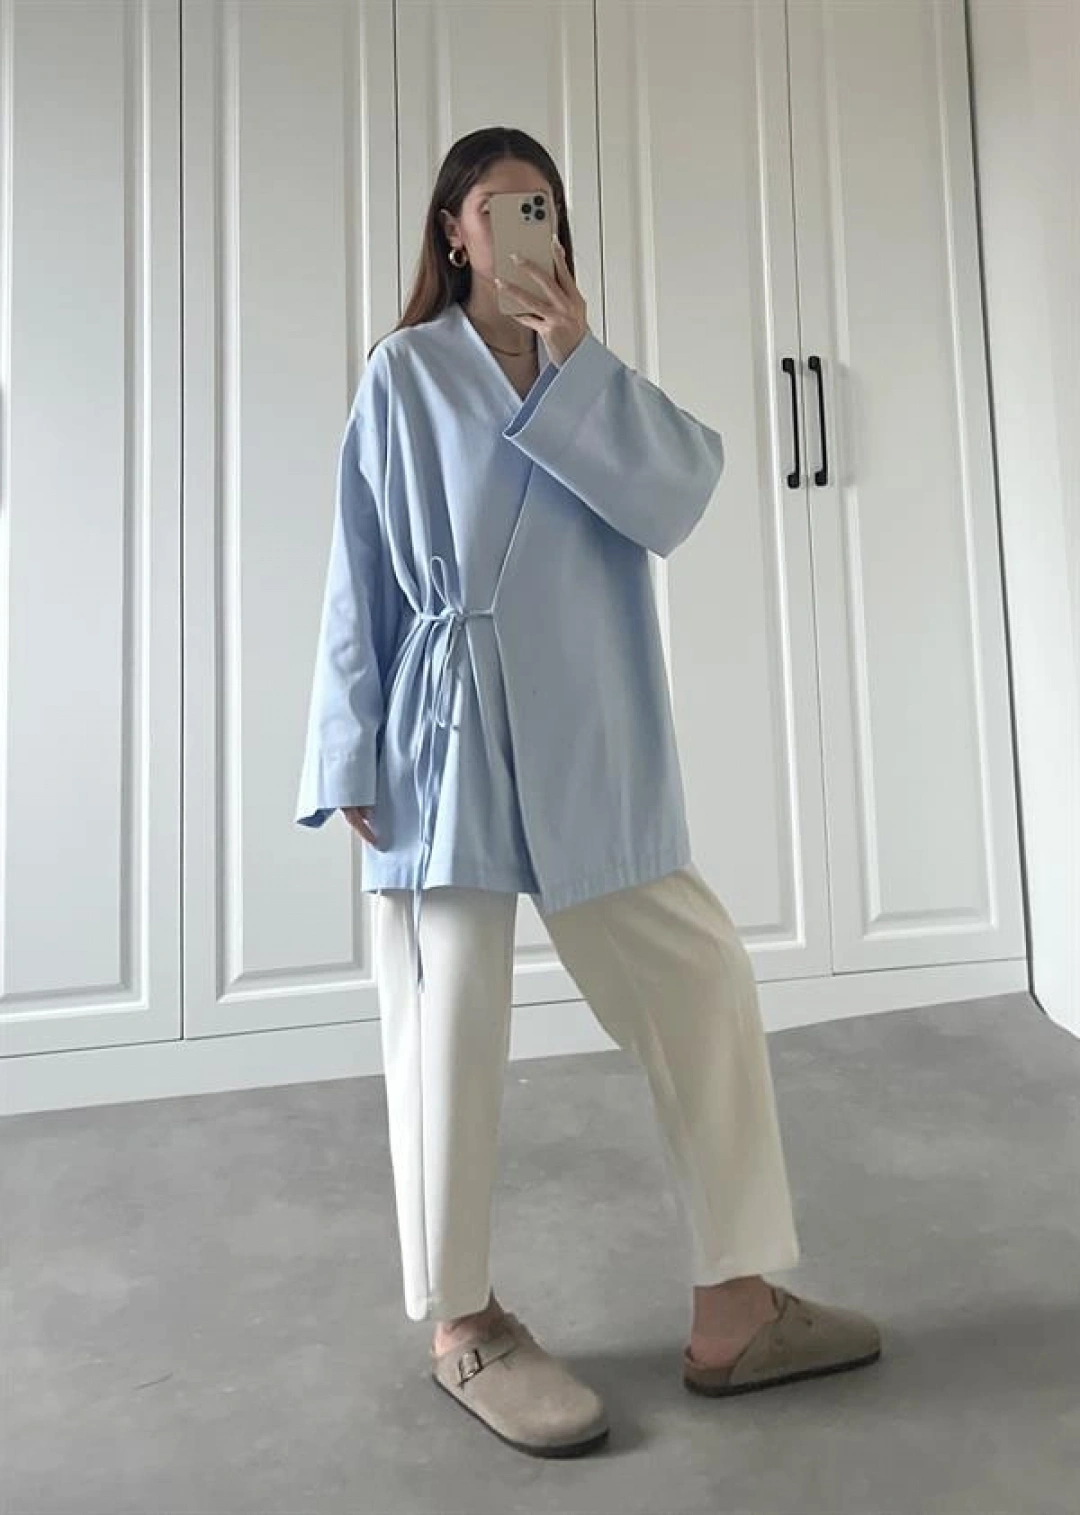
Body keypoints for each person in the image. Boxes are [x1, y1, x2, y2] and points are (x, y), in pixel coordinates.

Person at [295, 125, 881, 1457]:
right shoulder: (404, 373)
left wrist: (579, 360)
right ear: (455, 233)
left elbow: (678, 497)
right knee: (450, 1023)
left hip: (589, 729)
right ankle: (463, 1320)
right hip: (445, 734)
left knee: (701, 976)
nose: (528, 228)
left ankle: (735, 1304)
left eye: (545, 208)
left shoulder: (589, 372)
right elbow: (358, 568)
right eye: (503, 208)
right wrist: (346, 750)